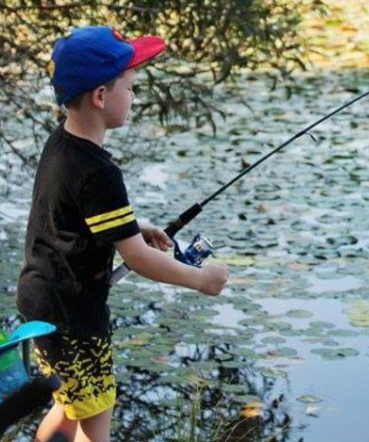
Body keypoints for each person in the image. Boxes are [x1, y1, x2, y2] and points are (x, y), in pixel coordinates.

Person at [16, 26, 229, 442]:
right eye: (130, 88)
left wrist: (129, 228)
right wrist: (201, 280)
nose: (134, 97)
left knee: (69, 404)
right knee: (96, 415)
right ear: (100, 95)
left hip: (44, 300)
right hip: (73, 315)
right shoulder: (99, 172)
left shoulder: (61, 144)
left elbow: (70, 215)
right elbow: (139, 258)